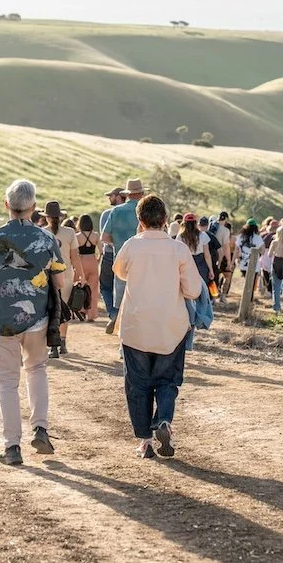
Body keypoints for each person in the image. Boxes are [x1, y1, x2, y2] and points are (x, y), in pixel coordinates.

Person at [0, 180, 65, 466]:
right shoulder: (47, 238)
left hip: (1, 321)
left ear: (7, 205)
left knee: (7, 381)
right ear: (34, 207)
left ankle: (12, 446)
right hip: (38, 319)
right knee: (37, 369)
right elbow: (60, 280)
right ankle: (40, 428)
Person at [113, 194, 203, 458]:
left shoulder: (131, 246)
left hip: (136, 327)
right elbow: (194, 290)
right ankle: (163, 419)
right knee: (167, 381)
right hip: (170, 327)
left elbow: (120, 273)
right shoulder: (178, 249)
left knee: (137, 385)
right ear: (165, 219)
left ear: (139, 220)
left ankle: (145, 441)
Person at [102, 178, 146, 333]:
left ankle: (119, 325)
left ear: (127, 194)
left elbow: (104, 237)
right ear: (141, 194)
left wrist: (118, 243)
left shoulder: (116, 211)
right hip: (143, 260)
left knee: (121, 298)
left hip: (121, 259)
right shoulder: (145, 211)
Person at [44, 200, 83, 357]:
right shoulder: (70, 233)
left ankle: (53, 346)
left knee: (50, 310)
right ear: (60, 217)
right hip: (66, 275)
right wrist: (80, 275)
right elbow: (75, 256)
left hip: (47, 277)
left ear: (47, 217)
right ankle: (63, 342)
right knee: (64, 309)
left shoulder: (42, 233)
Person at [98, 187, 125, 319]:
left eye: (111, 195)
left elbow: (104, 237)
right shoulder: (134, 213)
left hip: (110, 254)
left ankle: (113, 314)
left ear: (118, 196)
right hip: (128, 255)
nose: (109, 198)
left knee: (106, 287)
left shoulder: (107, 214)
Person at [176, 213, 214, 284]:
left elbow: (178, 255)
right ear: (195, 223)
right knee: (202, 286)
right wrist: (211, 270)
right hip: (201, 264)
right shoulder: (203, 235)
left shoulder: (180, 237)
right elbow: (207, 255)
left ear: (184, 223)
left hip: (186, 264)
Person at [75, 214, 101, 322]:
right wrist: (98, 260)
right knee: (93, 290)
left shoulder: (77, 236)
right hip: (93, 261)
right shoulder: (96, 235)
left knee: (80, 287)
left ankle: (81, 310)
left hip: (81, 262)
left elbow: (75, 252)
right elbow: (101, 251)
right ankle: (91, 314)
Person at [237, 219, 265, 296]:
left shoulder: (240, 237)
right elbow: (263, 251)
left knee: (247, 281)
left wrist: (235, 260)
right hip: (254, 264)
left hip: (243, 264)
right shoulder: (258, 237)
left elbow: (236, 250)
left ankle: (246, 296)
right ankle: (250, 297)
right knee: (252, 282)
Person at [210, 212, 233, 301]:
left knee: (212, 277)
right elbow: (226, 246)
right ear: (226, 219)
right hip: (221, 255)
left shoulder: (211, 227)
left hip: (211, 255)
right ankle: (223, 296)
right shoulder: (225, 230)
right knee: (227, 275)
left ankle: (213, 296)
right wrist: (228, 260)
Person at [198, 216, 223, 293]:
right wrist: (219, 263)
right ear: (208, 225)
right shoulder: (211, 236)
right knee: (212, 284)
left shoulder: (195, 236)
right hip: (212, 264)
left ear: (199, 224)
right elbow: (221, 252)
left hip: (199, 264)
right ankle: (211, 298)